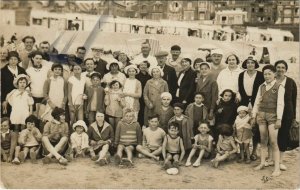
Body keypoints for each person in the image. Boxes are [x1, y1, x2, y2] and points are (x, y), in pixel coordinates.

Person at [252, 65, 285, 177]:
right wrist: (254, 115)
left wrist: (279, 119)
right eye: (265, 74)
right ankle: (262, 163)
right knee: (263, 140)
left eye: (269, 73)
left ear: (274, 74)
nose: (267, 76)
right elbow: (257, 101)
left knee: (273, 142)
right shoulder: (261, 86)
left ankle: (277, 168)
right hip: (261, 115)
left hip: (273, 116)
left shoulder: (279, 86)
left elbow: (281, 104)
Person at [238, 55, 264, 161]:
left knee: (255, 127)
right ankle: (243, 151)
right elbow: (240, 88)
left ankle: (254, 152)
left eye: (252, 62)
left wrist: (256, 103)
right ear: (245, 64)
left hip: (257, 102)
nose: (250, 64)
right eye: (248, 62)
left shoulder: (260, 75)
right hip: (244, 102)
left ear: (255, 64)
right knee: (243, 126)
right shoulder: (241, 75)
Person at [275, 60, 297, 171]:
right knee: (273, 137)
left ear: (286, 69)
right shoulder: (271, 79)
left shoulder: (291, 82)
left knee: (283, 136)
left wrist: (294, 117)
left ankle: (280, 161)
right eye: (278, 67)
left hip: (287, 114)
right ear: (275, 68)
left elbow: (293, 101)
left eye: (283, 67)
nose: (280, 69)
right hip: (273, 112)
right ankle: (272, 159)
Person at [1, 51, 27, 117]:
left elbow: (26, 82)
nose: (13, 61)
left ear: (18, 60)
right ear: (8, 60)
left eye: (15, 59)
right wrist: (3, 100)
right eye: (11, 59)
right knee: (8, 116)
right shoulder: (3, 71)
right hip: (8, 98)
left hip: (20, 97)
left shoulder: (22, 70)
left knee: (19, 116)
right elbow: (2, 87)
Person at [26, 51, 51, 117]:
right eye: (37, 58)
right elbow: (26, 83)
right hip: (33, 96)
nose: (38, 60)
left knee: (42, 115)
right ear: (33, 58)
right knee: (34, 115)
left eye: (40, 58)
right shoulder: (29, 70)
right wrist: (28, 91)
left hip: (44, 96)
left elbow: (49, 82)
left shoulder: (46, 69)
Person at [136, 60, 152, 126]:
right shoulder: (136, 76)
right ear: (139, 67)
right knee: (140, 112)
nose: (143, 66)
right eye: (141, 65)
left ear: (147, 66)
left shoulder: (150, 76)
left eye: (145, 65)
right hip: (139, 97)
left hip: (148, 96)